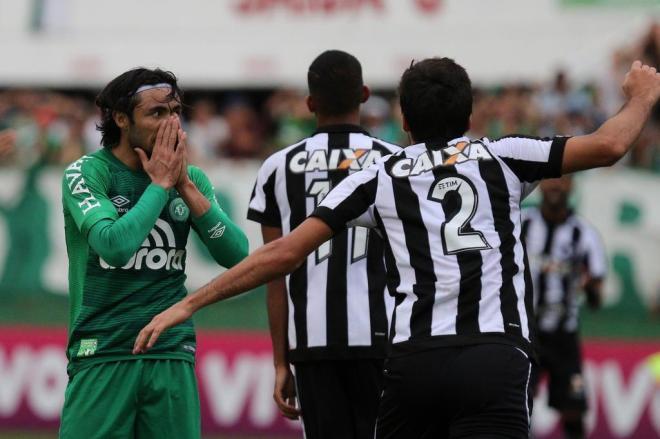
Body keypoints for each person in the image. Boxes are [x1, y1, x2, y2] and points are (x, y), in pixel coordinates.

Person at [134, 59, 660, 438]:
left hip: (415, 363)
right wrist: (640, 96)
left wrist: (188, 303)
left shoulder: (377, 176)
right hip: (495, 353)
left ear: (403, 121)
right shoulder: (503, 156)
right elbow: (611, 144)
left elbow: (284, 255)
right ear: (471, 113)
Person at [59, 68, 249, 439]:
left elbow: (236, 256)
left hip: (170, 351)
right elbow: (114, 247)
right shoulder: (87, 173)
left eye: (176, 111)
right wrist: (160, 185)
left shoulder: (191, 179)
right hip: (103, 350)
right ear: (121, 119)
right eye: (157, 113)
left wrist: (184, 185)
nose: (172, 122)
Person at [247, 50, 400, 438]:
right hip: (386, 342)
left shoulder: (276, 167)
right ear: (364, 94)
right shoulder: (397, 163)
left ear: (310, 103)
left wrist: (281, 363)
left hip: (311, 343)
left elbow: (273, 273)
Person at [522, 175, 607, 439]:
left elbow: (596, 294)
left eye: (563, 180)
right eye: (550, 180)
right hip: (525, 333)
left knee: (574, 409)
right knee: (518, 403)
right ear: (540, 184)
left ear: (571, 186)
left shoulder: (584, 233)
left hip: (564, 338)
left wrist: (590, 288)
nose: (556, 185)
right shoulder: (521, 223)